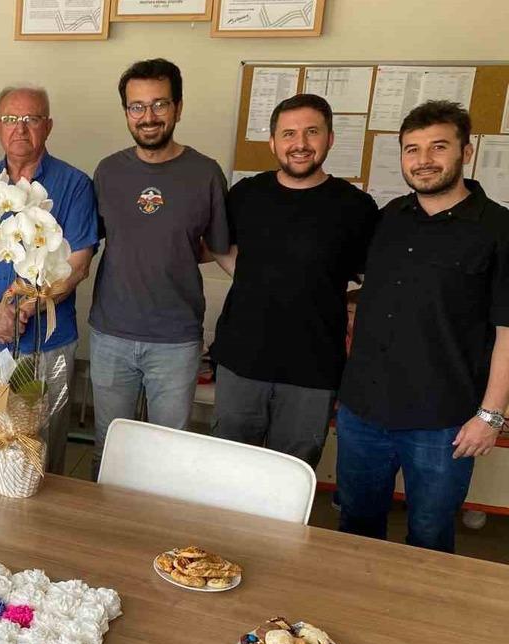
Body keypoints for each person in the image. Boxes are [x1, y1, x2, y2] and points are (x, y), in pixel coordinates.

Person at [337, 101, 509, 553]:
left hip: (442, 421)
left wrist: (490, 417)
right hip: (363, 411)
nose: (424, 160)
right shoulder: (390, 216)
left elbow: (508, 332)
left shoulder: (498, 229)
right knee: (355, 527)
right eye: (412, 149)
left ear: (466, 152)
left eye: (438, 146)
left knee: (429, 538)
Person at [210, 94, 379, 468]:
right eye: (289, 134)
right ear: (273, 142)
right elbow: (220, 247)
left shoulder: (356, 207)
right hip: (241, 360)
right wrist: (250, 276)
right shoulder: (246, 194)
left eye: (311, 132)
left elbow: (376, 279)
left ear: (330, 138)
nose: (300, 144)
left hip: (313, 369)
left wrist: (340, 300)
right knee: (227, 470)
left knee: (290, 473)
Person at [87, 58, 230, 472]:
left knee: (169, 455)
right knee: (110, 448)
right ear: (126, 111)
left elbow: (218, 247)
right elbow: (87, 242)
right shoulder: (108, 171)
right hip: (111, 334)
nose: (148, 116)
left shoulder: (205, 173)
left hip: (175, 340)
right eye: (137, 106)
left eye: (159, 104)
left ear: (178, 108)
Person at [0, 86, 98, 473]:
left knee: (39, 448)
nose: (20, 128)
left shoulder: (75, 185)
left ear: (48, 126)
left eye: (31, 119)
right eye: (11, 119)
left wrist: (26, 309)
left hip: (46, 343)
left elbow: (79, 263)